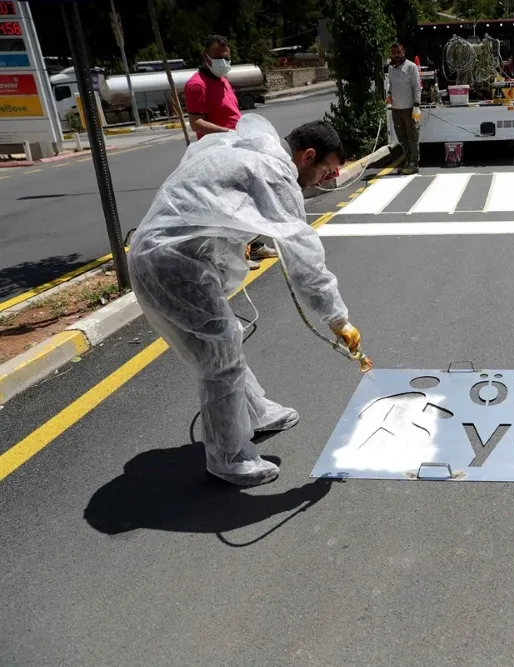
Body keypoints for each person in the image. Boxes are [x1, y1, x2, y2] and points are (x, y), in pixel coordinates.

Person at [128, 116, 360, 487]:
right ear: (308, 155)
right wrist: (337, 319)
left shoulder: (246, 148)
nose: (324, 181)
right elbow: (303, 258)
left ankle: (253, 412)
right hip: (170, 264)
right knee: (218, 356)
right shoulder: (273, 172)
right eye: (325, 171)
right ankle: (228, 456)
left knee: (226, 339)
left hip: (173, 257)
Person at [184, 34, 277, 270]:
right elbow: (196, 123)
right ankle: (237, 254)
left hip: (237, 147)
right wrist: (227, 132)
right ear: (206, 58)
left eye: (227, 57)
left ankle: (254, 245)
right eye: (219, 58)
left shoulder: (223, 80)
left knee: (250, 198)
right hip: (219, 152)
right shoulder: (197, 85)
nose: (224, 62)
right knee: (231, 205)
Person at [387, 42, 421, 175]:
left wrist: (416, 106)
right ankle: (407, 161)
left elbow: (417, 87)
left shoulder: (411, 67)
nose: (396, 55)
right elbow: (391, 85)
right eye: (393, 53)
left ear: (403, 52)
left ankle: (414, 163)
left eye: (398, 52)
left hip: (409, 109)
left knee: (412, 137)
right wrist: (389, 94)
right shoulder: (391, 68)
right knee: (401, 137)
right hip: (396, 109)